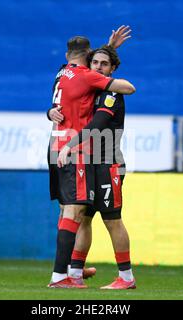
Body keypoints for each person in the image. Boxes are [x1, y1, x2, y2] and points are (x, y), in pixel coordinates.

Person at [47, 27, 135, 288]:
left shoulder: (111, 92)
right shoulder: (90, 84)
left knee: (112, 220)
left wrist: (70, 145)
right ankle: (74, 272)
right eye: (94, 62)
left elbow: (96, 125)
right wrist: (50, 110)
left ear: (112, 69)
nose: (97, 67)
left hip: (108, 163)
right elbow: (73, 85)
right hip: (88, 161)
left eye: (104, 64)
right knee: (82, 217)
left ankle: (126, 277)